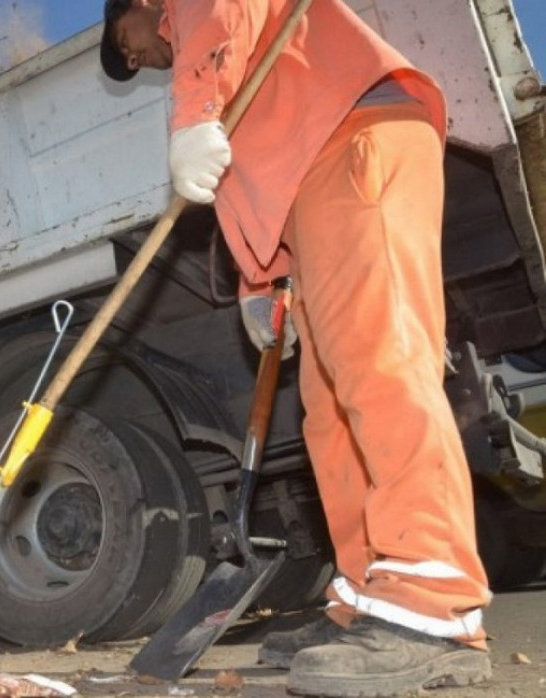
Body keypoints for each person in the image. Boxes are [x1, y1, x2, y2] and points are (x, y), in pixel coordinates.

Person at [99, 1, 492, 696]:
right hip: (316, 175)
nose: (131, 58)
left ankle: (435, 605)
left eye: (120, 42)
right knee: (329, 409)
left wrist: (191, 115)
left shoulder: (191, 17)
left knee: (379, 369)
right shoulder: (228, 64)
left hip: (355, 140)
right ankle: (370, 595)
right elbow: (264, 165)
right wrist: (264, 278)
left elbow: (215, 15)